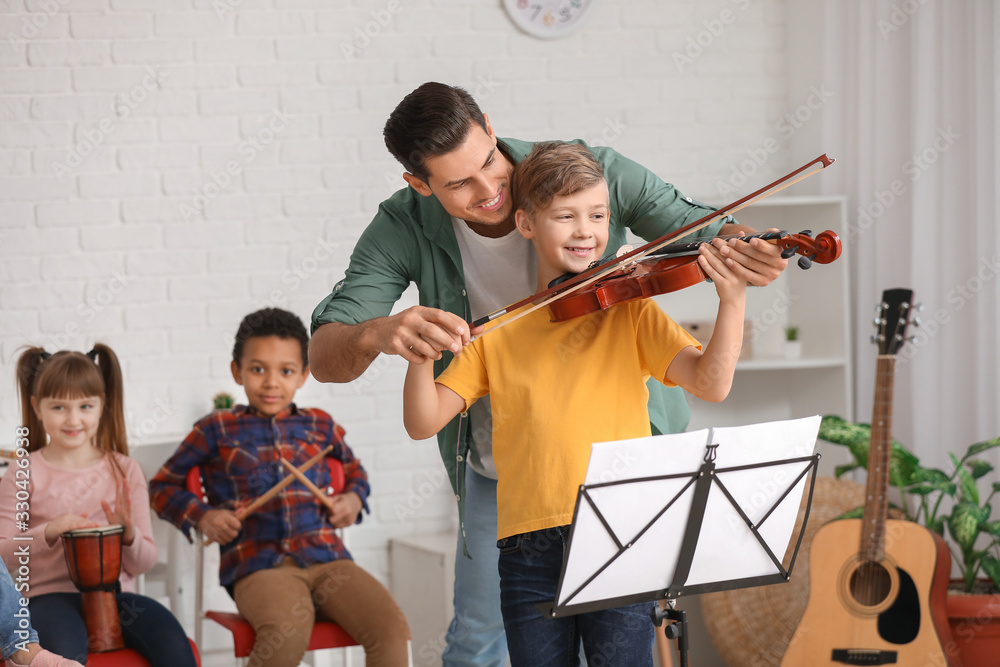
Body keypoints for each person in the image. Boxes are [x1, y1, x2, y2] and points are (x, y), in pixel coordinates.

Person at [309, 81, 787, 666]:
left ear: (489, 124)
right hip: (513, 474)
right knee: (479, 638)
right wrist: (381, 334)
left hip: (623, 460)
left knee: (623, 642)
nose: (489, 191)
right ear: (420, 184)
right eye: (459, 184)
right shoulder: (406, 228)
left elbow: (704, 229)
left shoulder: (592, 175)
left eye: (488, 162)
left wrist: (747, 256)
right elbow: (327, 354)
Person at [402, 141, 746, 665]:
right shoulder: (499, 331)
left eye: (598, 215)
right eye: (565, 216)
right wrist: (419, 355)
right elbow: (424, 422)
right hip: (528, 550)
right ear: (525, 224)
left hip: (621, 533)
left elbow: (711, 383)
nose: (586, 231)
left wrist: (733, 301)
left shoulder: (630, 313)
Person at [148, 308, 409, 667]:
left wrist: (351, 498)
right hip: (259, 566)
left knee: (391, 630)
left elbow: (355, 474)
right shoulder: (215, 429)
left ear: (303, 375)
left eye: (285, 371)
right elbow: (161, 486)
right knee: (285, 632)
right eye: (258, 369)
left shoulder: (321, 425)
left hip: (328, 560)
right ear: (236, 371)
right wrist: (204, 516)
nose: (271, 382)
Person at [0, 345, 198, 667]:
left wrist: (130, 534)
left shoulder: (125, 470)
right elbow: (2, 556)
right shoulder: (23, 472)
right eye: (59, 407)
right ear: (37, 407)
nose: (73, 418)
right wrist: (50, 530)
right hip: (47, 598)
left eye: (85, 405)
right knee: (63, 650)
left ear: (102, 405)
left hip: (116, 598)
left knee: (172, 642)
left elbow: (144, 563)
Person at [0, 555, 84, 667]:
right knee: (67, 651)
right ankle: (20, 646)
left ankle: (20, 646)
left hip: (112, 588)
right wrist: (45, 537)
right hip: (48, 591)